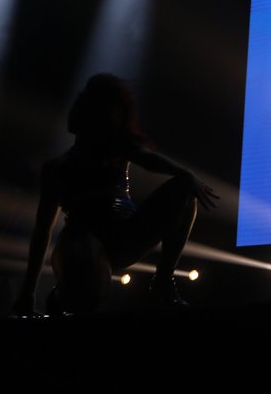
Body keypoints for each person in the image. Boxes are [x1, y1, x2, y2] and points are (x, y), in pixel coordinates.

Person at [12, 73, 220, 316]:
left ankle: (163, 282)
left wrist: (185, 174)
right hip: (85, 245)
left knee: (184, 188)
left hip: (125, 236)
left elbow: (148, 159)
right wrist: (28, 292)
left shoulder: (118, 149)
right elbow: (42, 232)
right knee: (79, 249)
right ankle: (65, 295)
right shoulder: (57, 169)